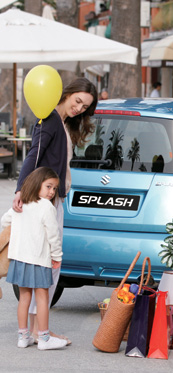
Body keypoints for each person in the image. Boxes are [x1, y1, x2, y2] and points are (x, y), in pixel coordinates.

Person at [12, 77, 98, 344]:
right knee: (48, 266)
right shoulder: (49, 120)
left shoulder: (59, 122)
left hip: (52, 200)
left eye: (85, 107)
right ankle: (40, 332)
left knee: (48, 267)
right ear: (67, 93)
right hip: (45, 202)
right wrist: (19, 189)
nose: (79, 109)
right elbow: (33, 155)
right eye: (78, 101)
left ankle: (38, 330)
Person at [2, 167, 67, 350]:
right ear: (36, 183)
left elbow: (4, 222)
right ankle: (44, 338)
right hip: (39, 260)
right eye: (49, 186)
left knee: (24, 298)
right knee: (42, 298)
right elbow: (53, 236)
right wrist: (57, 256)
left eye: (54, 188)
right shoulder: (47, 206)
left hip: (19, 259)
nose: (52, 192)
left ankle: (23, 337)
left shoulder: (21, 204)